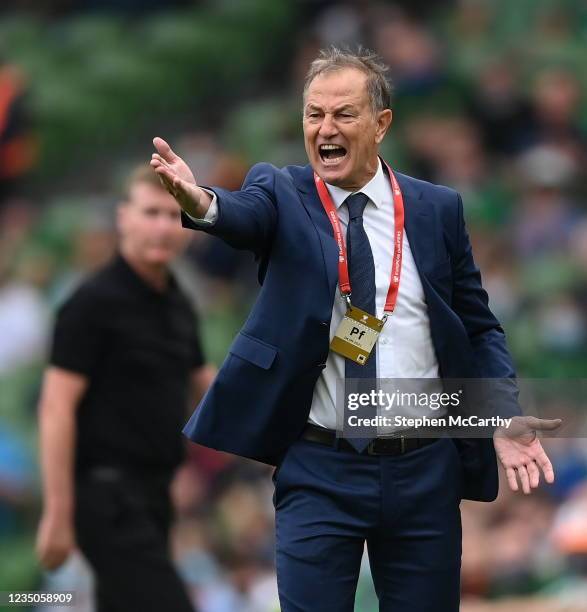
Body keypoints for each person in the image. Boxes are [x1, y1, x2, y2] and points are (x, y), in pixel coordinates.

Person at [150, 47, 561, 611]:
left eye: (343, 114)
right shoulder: (283, 191)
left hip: (424, 468)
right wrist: (201, 202)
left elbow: (478, 327)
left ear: (381, 123)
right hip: (321, 466)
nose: (326, 128)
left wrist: (502, 412)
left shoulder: (436, 208)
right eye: (314, 115)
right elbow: (241, 215)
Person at [36, 165, 215, 612]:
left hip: (155, 497)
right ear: (123, 218)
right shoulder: (91, 304)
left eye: (173, 215)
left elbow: (206, 388)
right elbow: (56, 408)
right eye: (150, 212)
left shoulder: (178, 304)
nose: (161, 226)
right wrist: (58, 514)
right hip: (106, 497)